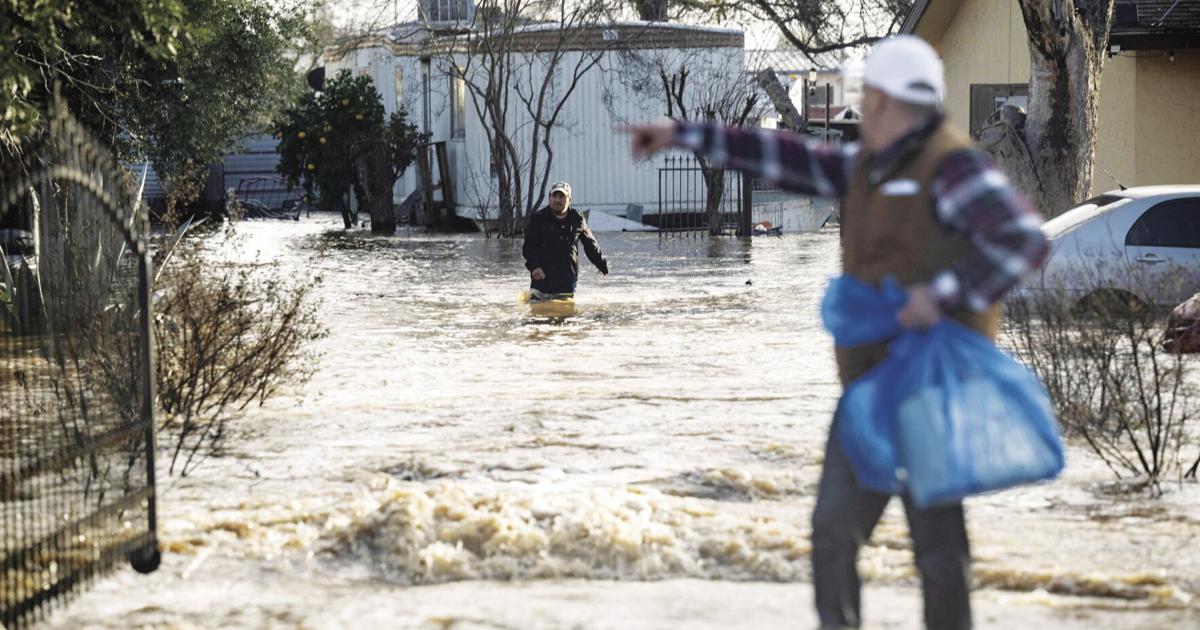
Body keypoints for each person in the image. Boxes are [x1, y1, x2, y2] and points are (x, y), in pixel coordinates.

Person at [623, 35, 1050, 630]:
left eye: (866, 95)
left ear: (883, 101)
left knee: (939, 550)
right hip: (870, 388)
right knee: (833, 531)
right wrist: (682, 133)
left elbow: (1024, 240)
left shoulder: (953, 167)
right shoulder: (865, 167)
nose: (861, 108)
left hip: (930, 388)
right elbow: (784, 155)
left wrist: (942, 294)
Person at [522, 181, 609, 298]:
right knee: (539, 314)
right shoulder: (538, 218)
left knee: (566, 313)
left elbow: (590, 245)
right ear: (549, 198)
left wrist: (602, 265)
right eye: (554, 196)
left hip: (567, 281)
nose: (557, 200)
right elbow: (529, 247)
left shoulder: (577, 218)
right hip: (541, 280)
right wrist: (534, 267)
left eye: (562, 196)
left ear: (569, 200)